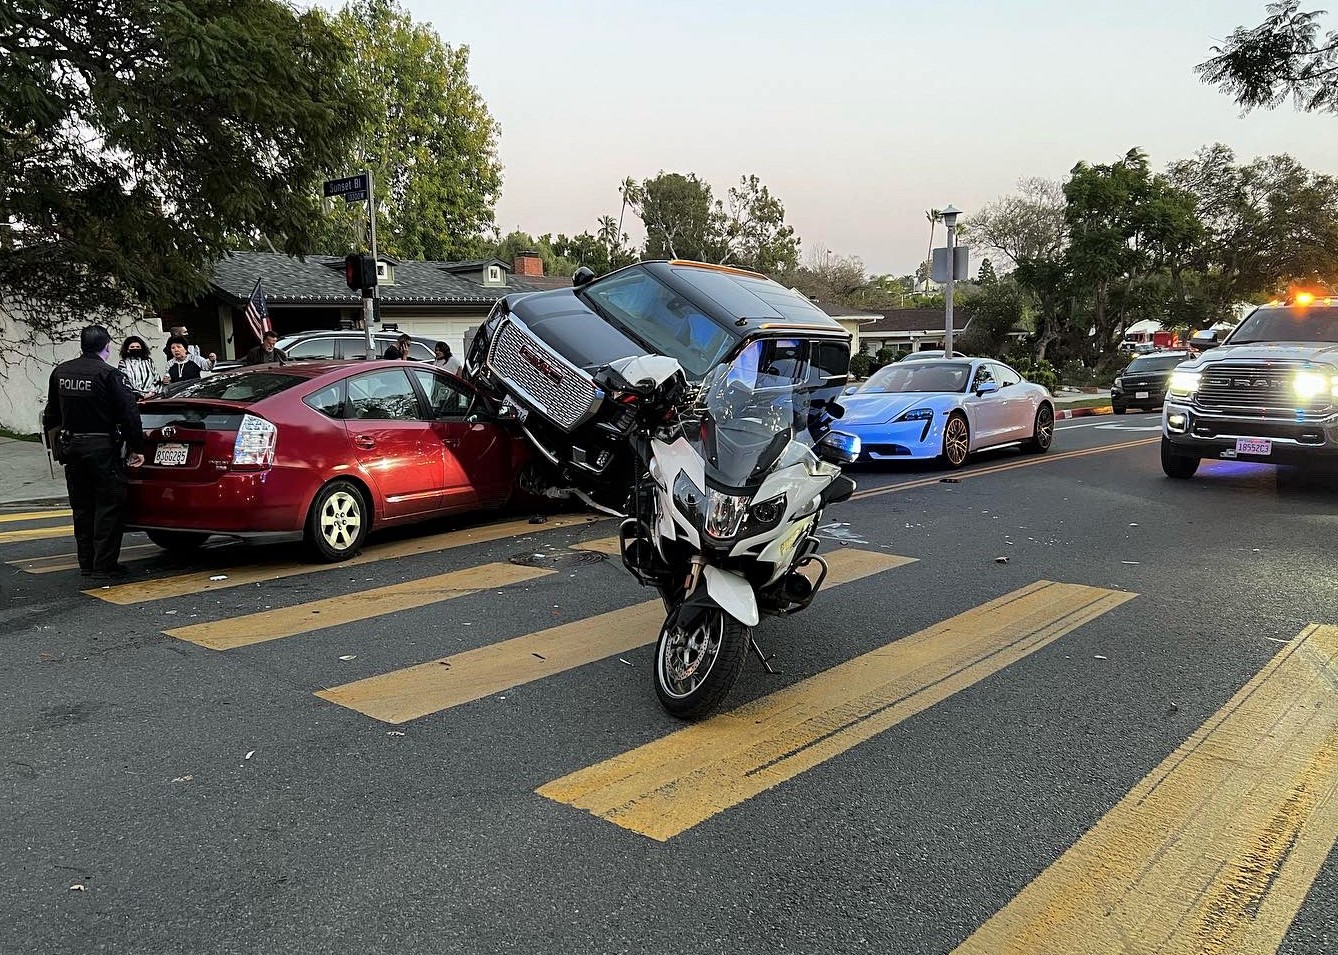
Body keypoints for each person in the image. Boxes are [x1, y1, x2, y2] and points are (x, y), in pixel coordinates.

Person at [43, 325, 146, 579]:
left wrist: (58, 448)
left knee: (82, 507)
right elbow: (129, 413)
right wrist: (137, 447)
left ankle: (86, 562)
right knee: (108, 506)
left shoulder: (61, 372)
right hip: (102, 449)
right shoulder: (110, 374)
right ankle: (104, 565)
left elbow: (51, 414)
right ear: (107, 346)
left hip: (73, 448)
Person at [117, 335, 159, 400]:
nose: (135, 348)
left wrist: (153, 393)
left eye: (138, 347)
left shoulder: (148, 361)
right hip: (134, 399)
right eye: (132, 347)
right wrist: (138, 396)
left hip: (152, 397)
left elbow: (156, 378)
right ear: (127, 349)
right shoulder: (123, 363)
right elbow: (124, 382)